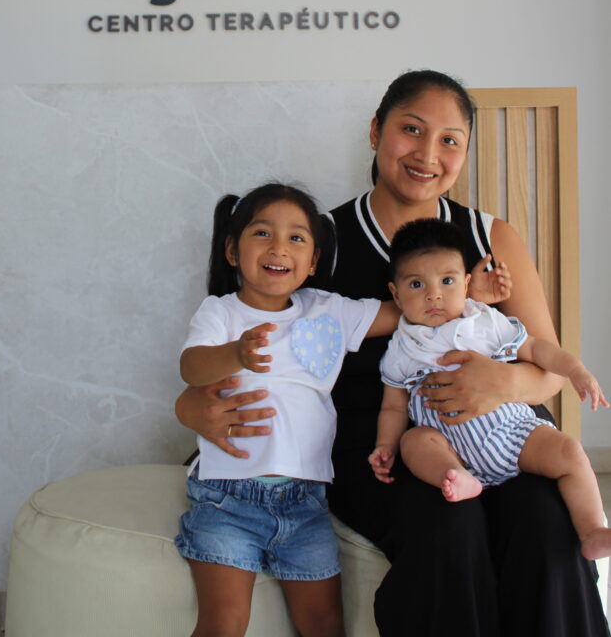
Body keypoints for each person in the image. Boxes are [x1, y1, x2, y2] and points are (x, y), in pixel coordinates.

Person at [175, 70, 611, 637]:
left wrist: (504, 384)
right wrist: (191, 408)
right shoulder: (318, 241)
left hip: (501, 428)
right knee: (450, 526)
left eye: (450, 140)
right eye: (412, 129)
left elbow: (547, 367)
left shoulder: (491, 237)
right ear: (376, 131)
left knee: (546, 521)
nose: (428, 154)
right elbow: (257, 339)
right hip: (382, 444)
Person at [174, 182, 402, 637]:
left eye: (296, 237)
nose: (279, 247)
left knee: (325, 624)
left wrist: (463, 294)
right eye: (262, 233)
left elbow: (402, 311)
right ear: (232, 250)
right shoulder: (222, 313)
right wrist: (235, 354)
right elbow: (191, 367)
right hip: (227, 499)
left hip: (305, 504)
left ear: (313, 260)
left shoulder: (327, 311)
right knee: (224, 622)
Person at [369, 217, 611, 562]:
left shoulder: (483, 321)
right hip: (450, 448)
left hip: (512, 433)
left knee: (570, 452)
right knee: (414, 442)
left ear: (466, 284)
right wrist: (385, 444)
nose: (434, 294)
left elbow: (535, 348)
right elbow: (393, 406)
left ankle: (592, 531)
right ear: (396, 293)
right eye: (417, 284)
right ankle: (457, 477)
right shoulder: (402, 347)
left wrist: (575, 370)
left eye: (447, 281)